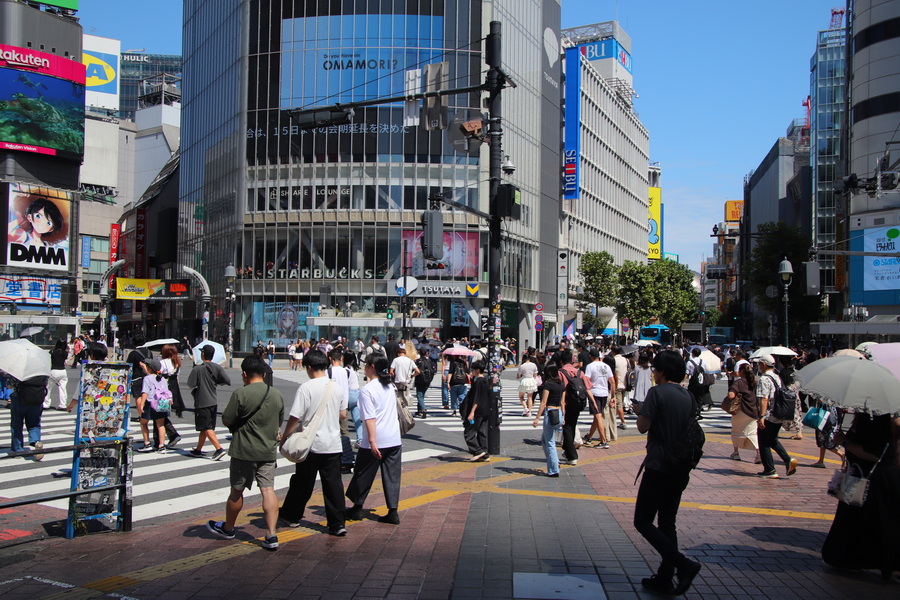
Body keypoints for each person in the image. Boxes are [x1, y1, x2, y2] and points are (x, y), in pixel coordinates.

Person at [634, 350, 703, 595]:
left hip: (659, 465)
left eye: (655, 369)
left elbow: (642, 427)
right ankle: (665, 576)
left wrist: (641, 410)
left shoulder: (657, 393)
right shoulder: (688, 396)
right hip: (681, 466)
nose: (653, 372)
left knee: (642, 521)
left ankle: (683, 564)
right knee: (667, 522)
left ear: (662, 371)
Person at [208, 355, 284, 550]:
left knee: (237, 491)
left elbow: (227, 419)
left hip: (243, 450)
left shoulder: (240, 394)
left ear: (244, 374)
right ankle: (271, 534)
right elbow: (278, 421)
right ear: (264, 374)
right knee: (268, 490)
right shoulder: (276, 394)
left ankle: (228, 528)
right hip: (267, 450)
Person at [821, 413, 900, 578]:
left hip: (875, 481)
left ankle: (888, 563)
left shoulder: (876, 422)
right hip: (860, 479)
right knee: (858, 522)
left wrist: (844, 442)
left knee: (883, 523)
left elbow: (873, 453)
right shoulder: (865, 419)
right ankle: (849, 558)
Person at [279, 349, 348, 536]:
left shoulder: (306, 388)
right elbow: (343, 414)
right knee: (333, 485)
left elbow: (295, 416)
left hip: (311, 444)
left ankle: (291, 516)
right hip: (332, 443)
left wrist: (285, 436)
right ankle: (337, 524)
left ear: (309, 367)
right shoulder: (337, 387)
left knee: (303, 482)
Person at [345, 354, 403, 525]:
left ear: (371, 367)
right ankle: (393, 511)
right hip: (393, 437)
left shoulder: (367, 390)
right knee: (392, 476)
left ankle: (357, 507)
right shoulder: (389, 385)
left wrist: (372, 441)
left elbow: (369, 418)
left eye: (366, 365)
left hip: (376, 438)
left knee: (363, 473)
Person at [755, 354, 798, 479]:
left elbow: (764, 399)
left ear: (764, 364)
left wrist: (761, 416)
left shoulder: (764, 379)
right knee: (772, 439)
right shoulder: (776, 377)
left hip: (769, 415)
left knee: (763, 441)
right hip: (779, 413)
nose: (758, 366)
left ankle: (769, 469)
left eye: (759, 364)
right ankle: (787, 460)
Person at [186, 344, 231, 460]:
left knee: (206, 427)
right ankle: (198, 449)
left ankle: (219, 449)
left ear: (203, 354)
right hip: (213, 400)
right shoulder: (217, 367)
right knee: (206, 426)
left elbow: (190, 385)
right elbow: (227, 380)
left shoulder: (197, 369)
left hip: (202, 401)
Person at [558, 349, 595, 467]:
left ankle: (572, 456)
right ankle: (568, 450)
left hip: (567, 403)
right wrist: (593, 402)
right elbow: (587, 388)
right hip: (579, 403)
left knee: (567, 428)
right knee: (572, 425)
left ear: (561, 361)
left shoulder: (560, 373)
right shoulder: (579, 373)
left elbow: (560, 390)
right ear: (572, 360)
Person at [532, 363, 565, 477]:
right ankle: (554, 461)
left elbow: (543, 402)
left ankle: (554, 469)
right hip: (559, 413)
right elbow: (562, 402)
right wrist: (563, 416)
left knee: (550, 442)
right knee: (545, 439)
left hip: (550, 412)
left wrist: (537, 418)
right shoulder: (561, 384)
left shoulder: (548, 384)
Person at [9, 373, 49, 461]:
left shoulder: (19, 370)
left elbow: (9, 385)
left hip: (19, 399)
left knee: (17, 425)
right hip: (36, 399)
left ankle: (18, 450)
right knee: (34, 424)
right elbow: (46, 383)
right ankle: (36, 441)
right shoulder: (41, 371)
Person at [726, 363, 760, 463]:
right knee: (753, 433)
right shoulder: (755, 382)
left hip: (740, 411)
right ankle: (758, 454)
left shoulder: (739, 382)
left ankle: (736, 452)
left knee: (736, 431)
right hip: (753, 411)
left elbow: (731, 395)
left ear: (741, 372)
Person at [136, 358, 170, 453]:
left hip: (150, 403)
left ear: (150, 368)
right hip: (162, 402)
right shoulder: (162, 378)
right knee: (161, 425)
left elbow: (145, 392)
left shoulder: (147, 378)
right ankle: (161, 445)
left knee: (143, 423)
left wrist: (142, 404)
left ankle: (147, 443)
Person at [583, 348, 612, 449]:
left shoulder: (590, 366)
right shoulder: (606, 366)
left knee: (598, 416)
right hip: (605, 393)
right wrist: (612, 396)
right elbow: (612, 381)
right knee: (597, 415)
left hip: (594, 392)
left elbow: (586, 380)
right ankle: (589, 437)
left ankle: (603, 441)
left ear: (591, 357)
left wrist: (586, 391)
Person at [157, 344, 185, 449]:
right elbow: (177, 377)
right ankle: (168, 436)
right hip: (174, 389)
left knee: (159, 414)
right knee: (162, 414)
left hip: (164, 390)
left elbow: (158, 375)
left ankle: (172, 434)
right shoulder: (177, 362)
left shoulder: (163, 362)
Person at [461, 361, 490, 462]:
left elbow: (476, 398)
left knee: (469, 432)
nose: (471, 371)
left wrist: (472, 412)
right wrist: (472, 379)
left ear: (477, 370)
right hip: (485, 410)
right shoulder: (485, 380)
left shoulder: (479, 382)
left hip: (477, 411)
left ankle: (477, 451)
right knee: (482, 432)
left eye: (473, 369)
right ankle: (484, 453)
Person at [389, 345, 419, 412]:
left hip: (397, 381)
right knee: (405, 393)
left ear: (398, 354)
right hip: (406, 381)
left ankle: (399, 409)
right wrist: (412, 375)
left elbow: (391, 371)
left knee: (398, 396)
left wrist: (394, 376)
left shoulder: (396, 360)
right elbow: (418, 371)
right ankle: (407, 401)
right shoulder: (410, 360)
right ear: (405, 354)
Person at [685, 347, 712, 415]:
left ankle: (693, 410)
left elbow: (687, 373)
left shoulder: (690, 362)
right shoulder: (703, 362)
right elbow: (704, 371)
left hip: (693, 381)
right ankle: (698, 410)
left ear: (692, 354)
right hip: (701, 381)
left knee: (692, 396)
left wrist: (683, 381)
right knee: (700, 396)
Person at [44, 339, 68, 410]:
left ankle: (46, 404)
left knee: (48, 387)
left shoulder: (52, 352)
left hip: (54, 370)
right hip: (63, 371)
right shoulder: (65, 353)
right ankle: (63, 405)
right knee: (62, 388)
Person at [413, 350, 433, 419]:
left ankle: (424, 409)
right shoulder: (429, 361)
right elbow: (433, 371)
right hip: (427, 381)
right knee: (421, 395)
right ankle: (419, 410)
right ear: (426, 353)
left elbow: (414, 370)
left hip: (420, 380)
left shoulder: (417, 361)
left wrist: (412, 376)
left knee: (419, 395)